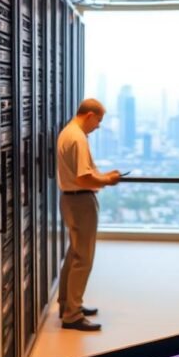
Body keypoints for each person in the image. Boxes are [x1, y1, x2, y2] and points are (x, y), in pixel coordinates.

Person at [57, 98, 121, 331]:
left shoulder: (68, 132)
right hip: (80, 201)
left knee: (74, 253)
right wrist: (107, 180)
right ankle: (72, 315)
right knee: (83, 258)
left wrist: (103, 176)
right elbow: (84, 177)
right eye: (99, 120)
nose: (98, 126)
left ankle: (67, 305)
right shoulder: (77, 137)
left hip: (70, 199)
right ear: (89, 115)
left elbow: (81, 173)